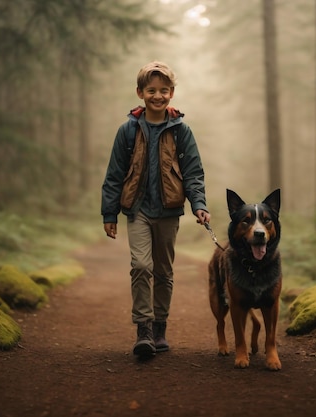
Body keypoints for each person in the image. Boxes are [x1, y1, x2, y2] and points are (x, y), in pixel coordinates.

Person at [101, 61, 211, 358]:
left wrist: (199, 205)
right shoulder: (128, 131)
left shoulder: (180, 131)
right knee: (141, 266)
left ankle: (160, 327)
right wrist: (109, 214)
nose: (158, 96)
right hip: (137, 211)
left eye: (164, 90)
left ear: (172, 93)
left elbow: (193, 173)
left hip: (169, 212)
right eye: (151, 90)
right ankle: (144, 330)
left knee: (163, 271)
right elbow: (114, 175)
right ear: (140, 93)